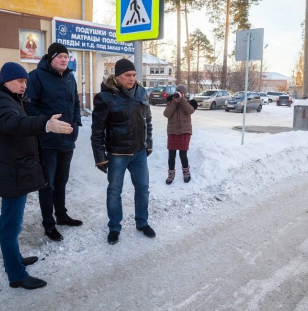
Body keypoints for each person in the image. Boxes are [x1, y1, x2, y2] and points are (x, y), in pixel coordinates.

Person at [0, 62, 73, 289]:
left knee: (14, 222)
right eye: (21, 81)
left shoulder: (10, 99)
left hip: (15, 170)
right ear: (7, 81)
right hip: (10, 172)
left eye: (26, 82)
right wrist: (45, 124)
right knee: (10, 224)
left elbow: (19, 123)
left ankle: (15, 259)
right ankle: (16, 275)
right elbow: (13, 123)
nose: (25, 86)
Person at [91, 58, 154, 245]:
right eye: (127, 75)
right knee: (114, 192)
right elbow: (97, 131)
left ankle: (142, 222)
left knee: (143, 189)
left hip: (139, 153)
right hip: (117, 154)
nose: (132, 78)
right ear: (117, 77)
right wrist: (100, 157)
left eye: (134, 75)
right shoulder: (105, 97)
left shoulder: (142, 93)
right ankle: (114, 227)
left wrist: (148, 143)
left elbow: (148, 121)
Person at [26, 42, 82, 242]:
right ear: (50, 58)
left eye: (66, 57)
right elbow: (29, 108)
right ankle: (48, 224)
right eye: (60, 57)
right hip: (47, 141)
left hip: (67, 139)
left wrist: (76, 124)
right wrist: (47, 123)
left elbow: (75, 103)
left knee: (61, 182)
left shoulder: (70, 78)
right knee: (47, 184)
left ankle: (61, 215)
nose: (64, 60)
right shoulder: (36, 77)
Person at [163, 84, 197, 184]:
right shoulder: (171, 101)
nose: (179, 94)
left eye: (182, 92)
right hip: (172, 131)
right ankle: (171, 175)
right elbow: (166, 114)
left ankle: (186, 173)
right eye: (178, 92)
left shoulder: (189, 102)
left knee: (183, 154)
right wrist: (174, 102)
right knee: (171, 154)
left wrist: (182, 100)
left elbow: (189, 111)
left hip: (184, 131)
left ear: (185, 93)